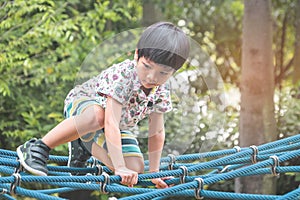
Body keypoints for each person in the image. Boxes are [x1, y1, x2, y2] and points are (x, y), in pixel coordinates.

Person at [17, 21, 190, 189]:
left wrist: (154, 172)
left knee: (135, 170)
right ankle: (37, 147)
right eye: (146, 67)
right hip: (84, 105)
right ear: (137, 55)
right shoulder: (124, 76)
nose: (152, 77)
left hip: (113, 125)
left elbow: (157, 132)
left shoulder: (161, 91)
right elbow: (110, 122)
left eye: (163, 73)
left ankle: (83, 146)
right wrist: (119, 166)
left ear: (173, 72)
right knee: (98, 117)